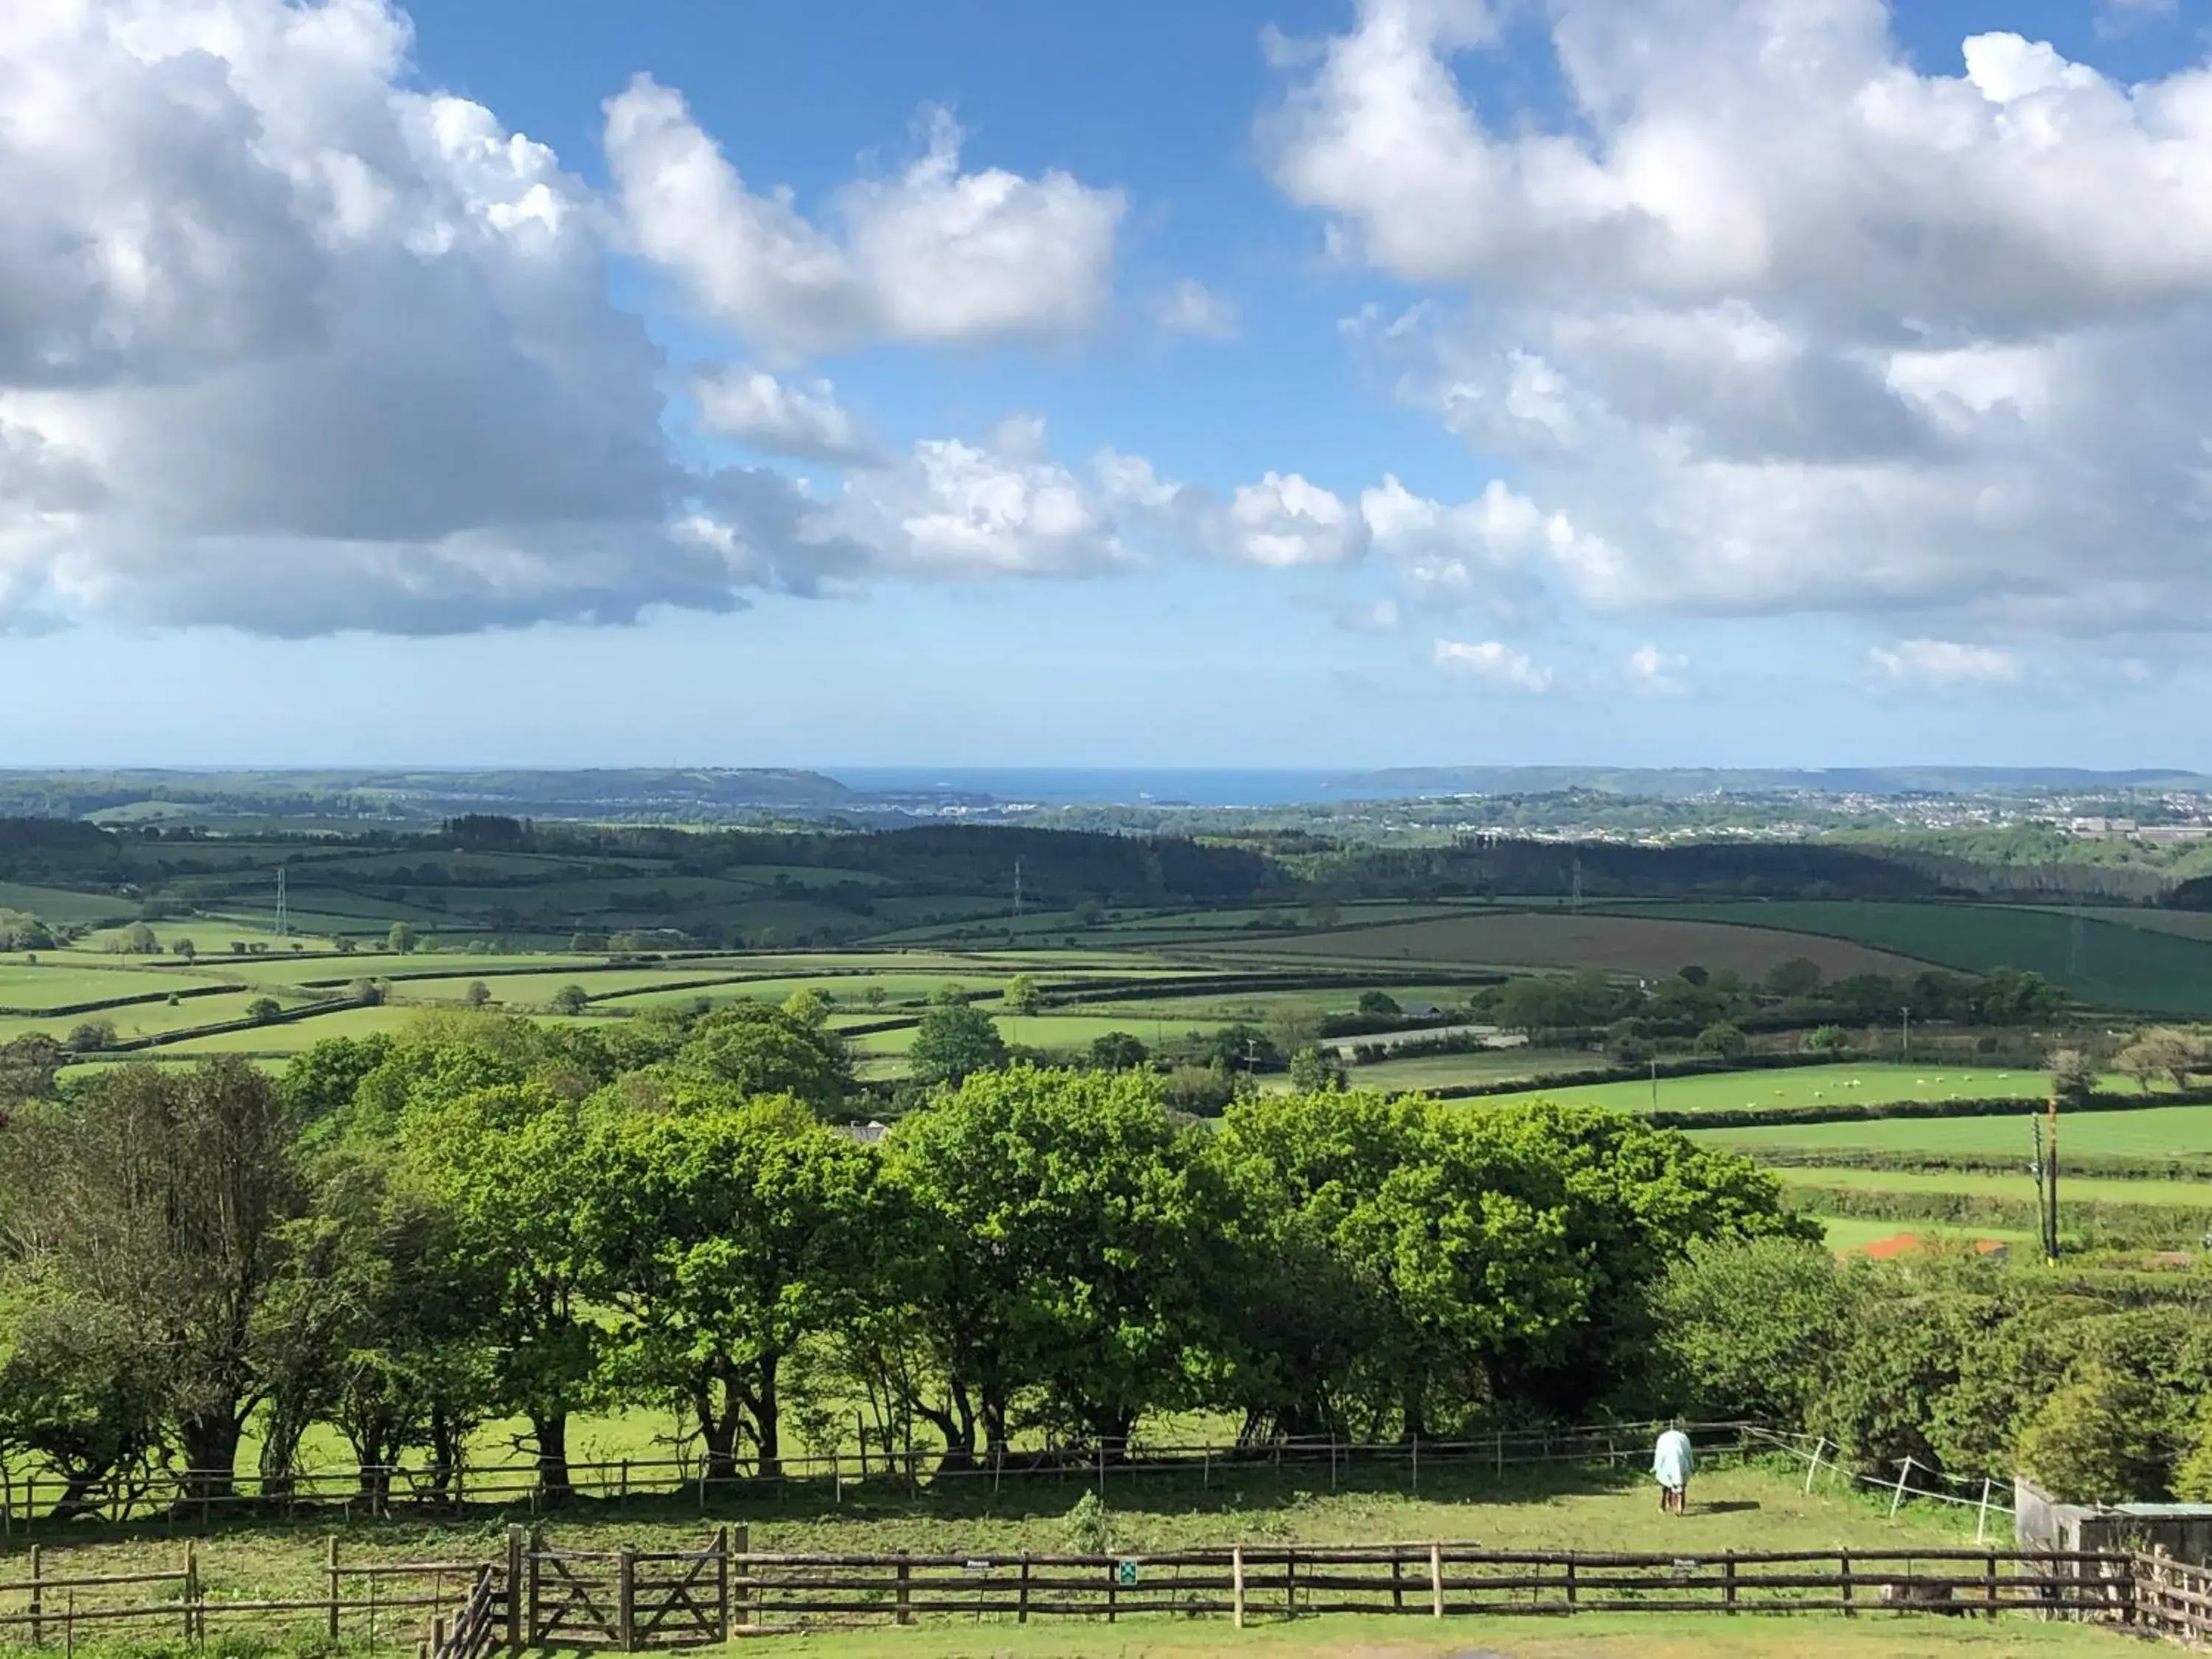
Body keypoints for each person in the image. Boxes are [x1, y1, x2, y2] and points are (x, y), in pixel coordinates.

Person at [1653, 1425, 1695, 1516]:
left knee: (1681, 1484)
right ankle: (1664, 1501)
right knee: (1665, 1485)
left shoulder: (1681, 1458)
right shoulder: (1664, 1442)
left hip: (1680, 1469)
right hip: (1669, 1467)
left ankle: (1679, 1505)